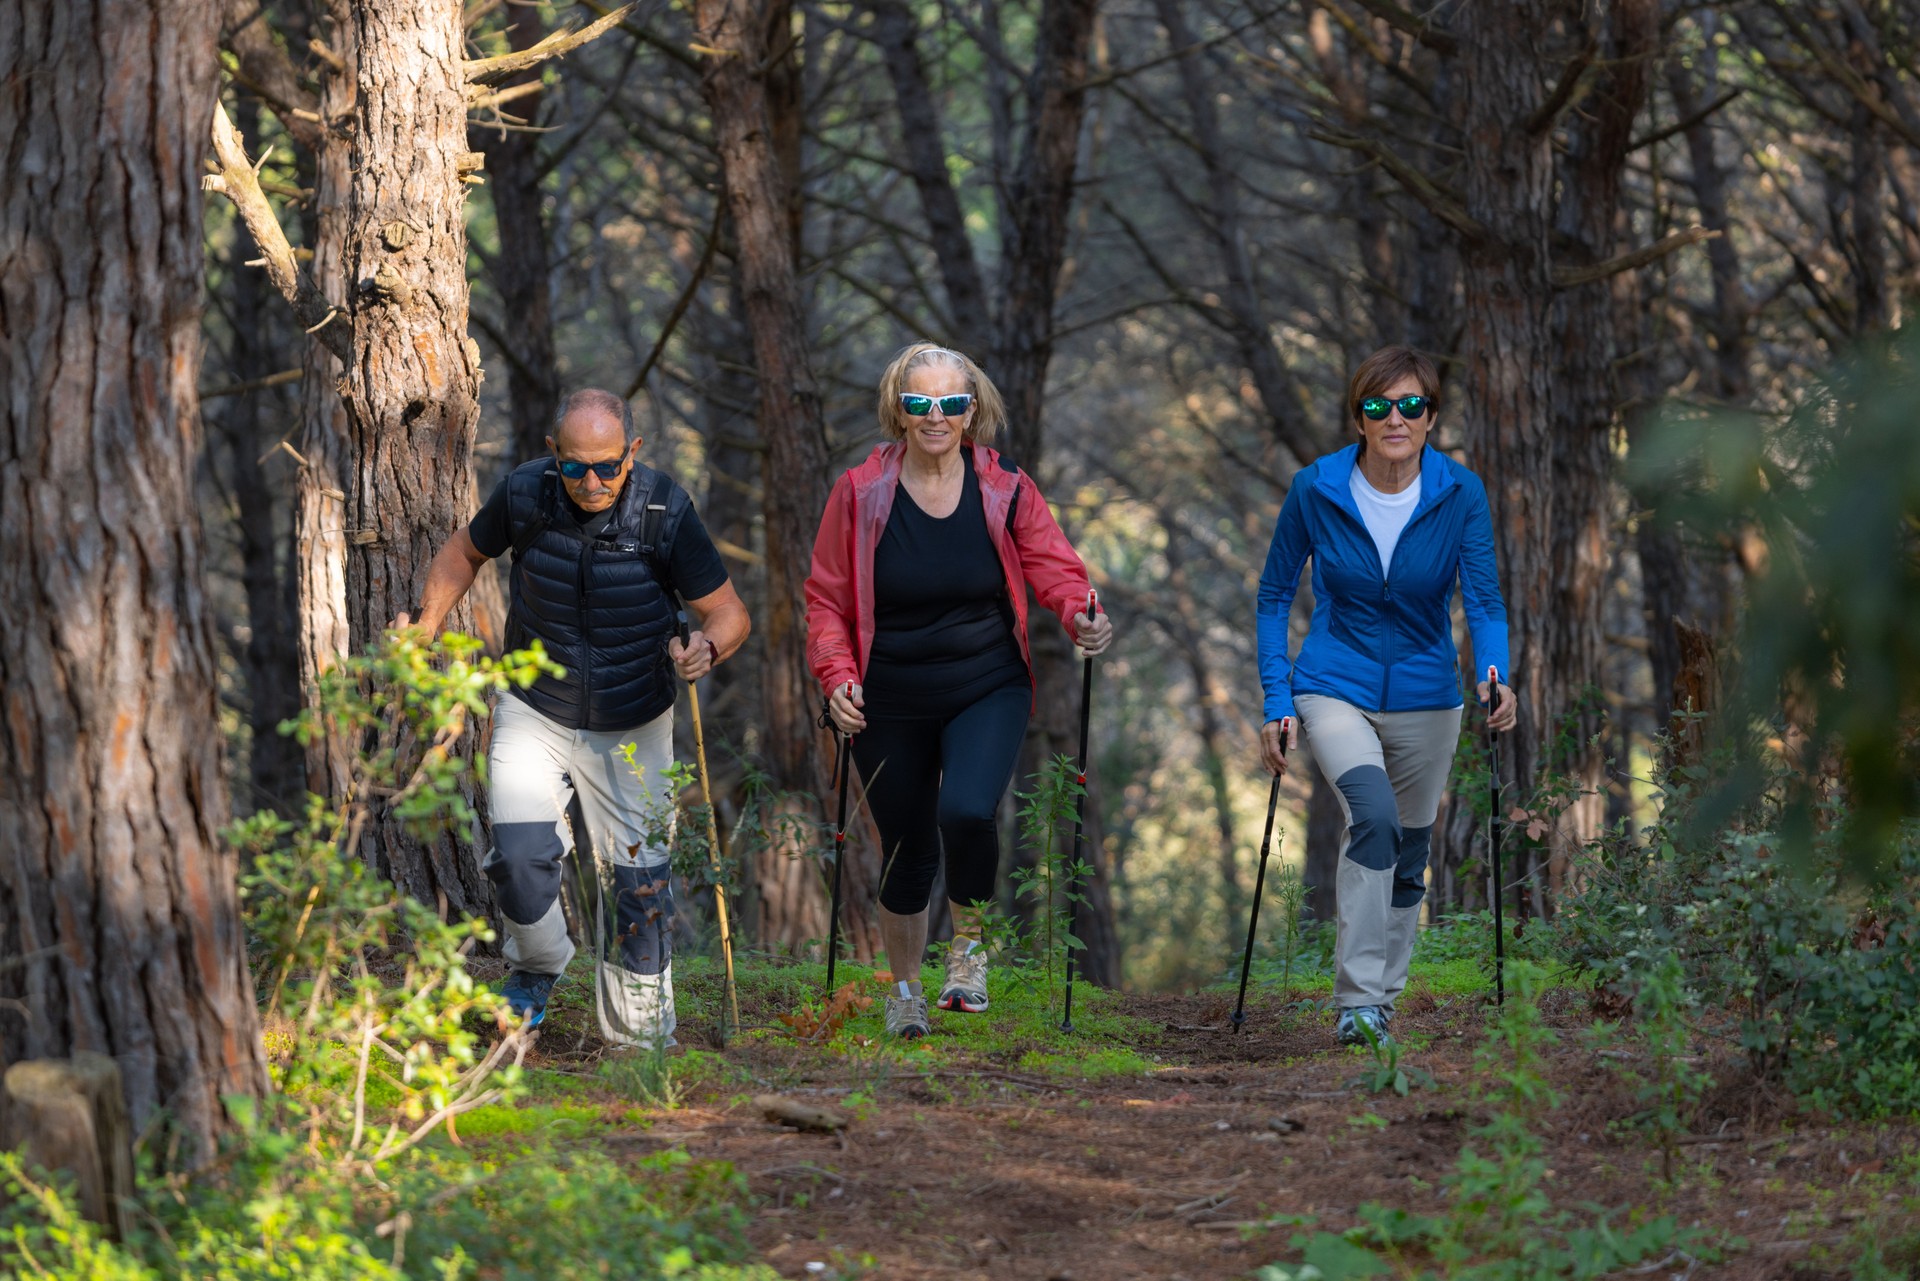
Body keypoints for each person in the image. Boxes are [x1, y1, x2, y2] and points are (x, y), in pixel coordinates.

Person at [398, 388, 749, 1048]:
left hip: (634, 718)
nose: (592, 482)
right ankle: (534, 969)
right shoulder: (526, 494)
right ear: (552, 453)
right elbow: (464, 552)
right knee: (520, 855)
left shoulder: (664, 508)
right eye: (575, 466)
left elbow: (728, 610)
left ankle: (640, 1039)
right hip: (536, 707)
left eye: (608, 466)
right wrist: (428, 623)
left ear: (632, 452)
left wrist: (709, 646)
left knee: (638, 883)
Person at [805, 342, 1114, 1039]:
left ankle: (968, 955)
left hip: (986, 680)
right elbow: (825, 598)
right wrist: (837, 675)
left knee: (969, 809)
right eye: (920, 402)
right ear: (899, 411)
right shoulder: (859, 492)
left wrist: (1080, 614)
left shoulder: (1005, 487)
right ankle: (905, 992)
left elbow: (1056, 569)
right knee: (907, 846)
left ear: (972, 410)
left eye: (950, 402)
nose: (935, 415)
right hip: (887, 691)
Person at [1255, 346, 1514, 1047]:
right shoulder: (1317, 488)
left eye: (1410, 405)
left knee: (1410, 848)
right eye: (1377, 406)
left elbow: (1484, 600)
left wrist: (1495, 671)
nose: (1394, 418)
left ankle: (1382, 998)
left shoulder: (1460, 492)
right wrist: (1278, 697)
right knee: (1372, 817)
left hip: (1429, 694)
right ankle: (1358, 1000)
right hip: (1334, 683)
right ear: (1359, 418)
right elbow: (1274, 595)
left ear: (1430, 417)